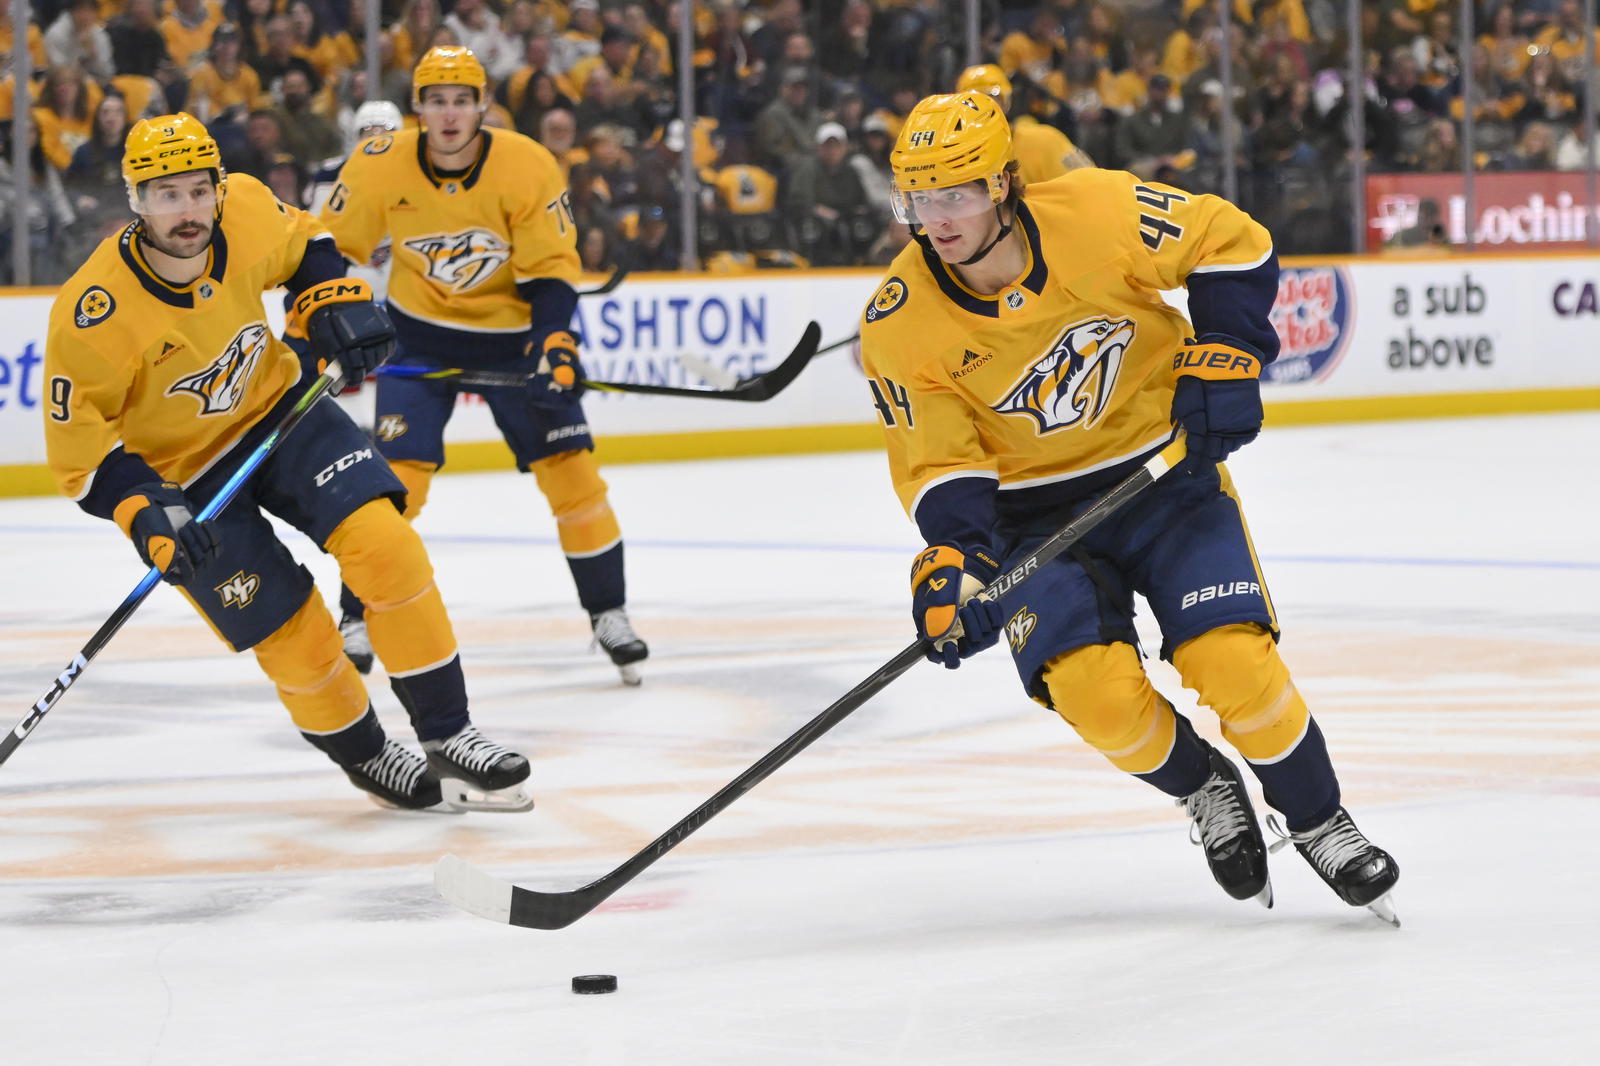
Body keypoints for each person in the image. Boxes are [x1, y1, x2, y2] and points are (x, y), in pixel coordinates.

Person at [859, 91, 1400, 921]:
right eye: (919, 200)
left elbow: (1234, 242)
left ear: (1005, 184)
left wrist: (1225, 351)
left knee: (1236, 666)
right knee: (1098, 698)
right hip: (1030, 524)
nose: (937, 220)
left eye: (956, 194)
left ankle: (1320, 817)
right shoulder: (897, 324)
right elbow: (939, 464)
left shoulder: (1100, 208)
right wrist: (956, 564)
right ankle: (1205, 785)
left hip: (1164, 480)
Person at [41, 113, 532, 813]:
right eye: (166, 195)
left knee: (386, 546)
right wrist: (146, 514)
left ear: (217, 187)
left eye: (197, 190)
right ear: (136, 200)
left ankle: (450, 733)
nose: (187, 210)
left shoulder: (243, 206)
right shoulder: (91, 317)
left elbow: (308, 245)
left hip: (283, 411)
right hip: (186, 481)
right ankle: (367, 757)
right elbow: (82, 461)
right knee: (291, 632)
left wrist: (329, 297)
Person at [316, 47, 650, 685]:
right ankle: (355, 617)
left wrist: (555, 343)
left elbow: (552, 271)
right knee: (392, 490)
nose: (448, 114)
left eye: (461, 100)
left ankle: (609, 613)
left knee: (574, 481)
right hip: (419, 342)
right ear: (418, 108)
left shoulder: (524, 163)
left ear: (482, 106)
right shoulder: (380, 162)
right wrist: (320, 321)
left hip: (512, 341)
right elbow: (329, 250)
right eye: (436, 100)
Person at [956, 64, 1094, 181]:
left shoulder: (1044, 141)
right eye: (972, 101)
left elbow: (1090, 184)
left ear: (1007, 102)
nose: (983, 108)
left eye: (993, 97)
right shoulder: (953, 156)